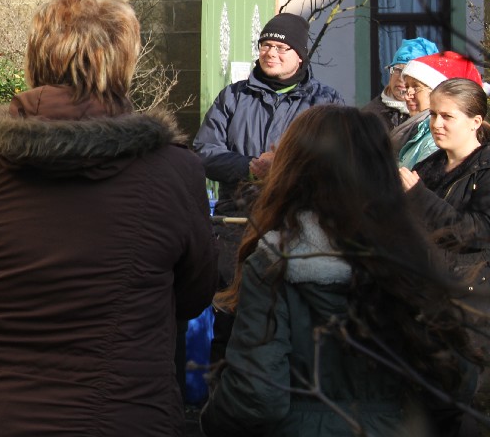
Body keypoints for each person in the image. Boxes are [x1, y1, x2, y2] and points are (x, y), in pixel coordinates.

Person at [0, 0, 217, 436]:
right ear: (122, 64)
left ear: (36, 59)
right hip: (124, 416)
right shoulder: (173, 169)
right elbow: (195, 292)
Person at [201, 106, 476, 436]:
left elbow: (256, 395)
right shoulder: (413, 259)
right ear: (382, 171)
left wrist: (212, 421)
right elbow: (453, 381)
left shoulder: (274, 260)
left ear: (294, 171)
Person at [192, 12, 343, 360]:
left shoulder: (324, 103)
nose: (271, 53)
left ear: (300, 55)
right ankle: (223, 387)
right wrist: (249, 167)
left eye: (281, 47)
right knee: (229, 323)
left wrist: (285, 170)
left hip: (299, 228)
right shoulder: (232, 97)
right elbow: (203, 152)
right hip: (238, 226)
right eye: (265, 45)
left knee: (292, 325)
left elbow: (337, 163)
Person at [402, 77, 490, 426]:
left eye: (447, 116)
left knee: (462, 410)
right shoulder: (428, 167)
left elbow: (478, 232)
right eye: (433, 115)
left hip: (470, 308)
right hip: (422, 302)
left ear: (475, 121)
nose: (436, 124)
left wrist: (419, 198)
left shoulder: (485, 170)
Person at [393, 52, 483, 170]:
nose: (407, 95)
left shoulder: (436, 141)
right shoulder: (417, 132)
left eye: (416, 87)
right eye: (407, 87)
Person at [362, 36, 437, 132]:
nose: (401, 78)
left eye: (409, 74)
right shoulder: (369, 116)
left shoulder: (436, 117)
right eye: (397, 70)